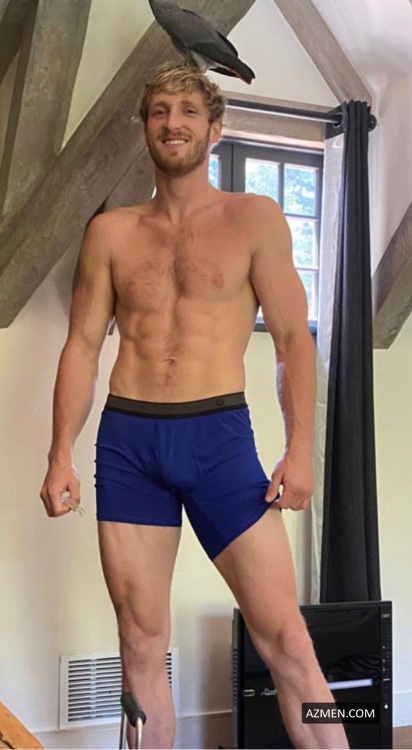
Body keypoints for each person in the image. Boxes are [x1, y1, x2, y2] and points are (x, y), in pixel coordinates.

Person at [40, 62, 348, 749]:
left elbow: (293, 342)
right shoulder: (110, 233)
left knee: (288, 642)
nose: (172, 123)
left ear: (215, 129)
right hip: (129, 444)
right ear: (145, 127)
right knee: (140, 644)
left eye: (186, 111)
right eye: (159, 111)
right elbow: (83, 346)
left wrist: (300, 451)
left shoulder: (254, 219)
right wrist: (60, 453)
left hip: (219, 441)